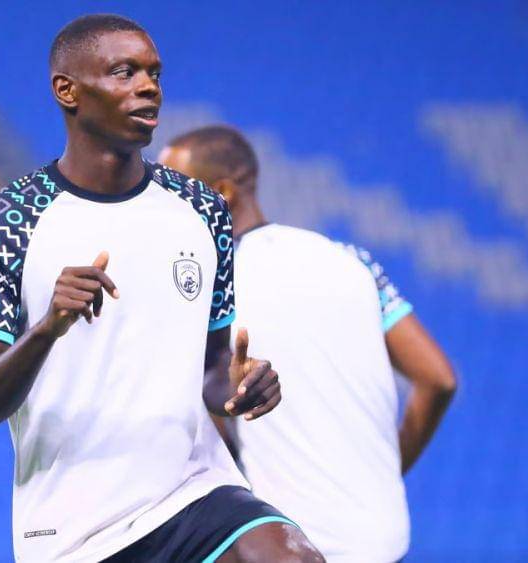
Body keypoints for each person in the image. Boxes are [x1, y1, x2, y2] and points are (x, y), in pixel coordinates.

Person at [0, 13, 323, 563]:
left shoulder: (202, 209)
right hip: (74, 527)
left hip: (194, 491)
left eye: (154, 73)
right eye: (125, 72)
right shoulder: (3, 222)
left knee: (289, 555)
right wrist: (47, 329)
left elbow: (213, 369)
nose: (149, 87)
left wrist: (242, 386)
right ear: (67, 90)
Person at [159, 125, 458, 562]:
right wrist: (386, 475)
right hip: (379, 541)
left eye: (175, 191)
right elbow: (438, 379)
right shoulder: (353, 261)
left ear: (221, 193)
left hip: (284, 545)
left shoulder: (205, 284)